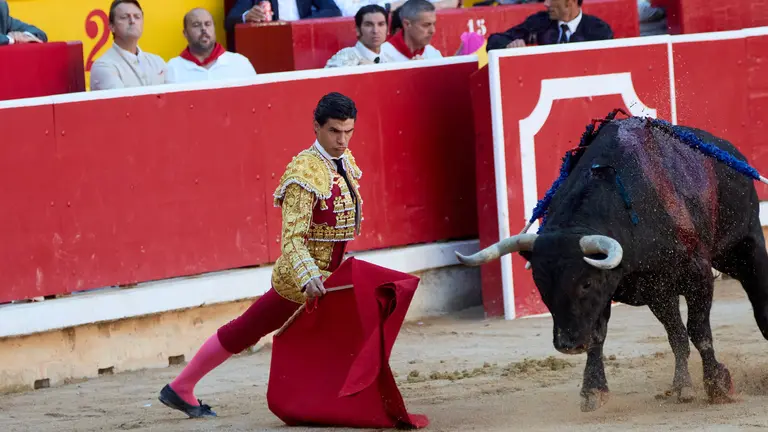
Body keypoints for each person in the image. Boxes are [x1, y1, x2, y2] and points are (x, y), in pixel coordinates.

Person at [158, 92, 363, 418]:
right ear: (316, 127)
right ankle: (181, 387)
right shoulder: (305, 173)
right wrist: (309, 277)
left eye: (348, 131)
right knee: (247, 329)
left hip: (329, 277)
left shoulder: (343, 162)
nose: (342, 139)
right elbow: (292, 241)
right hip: (301, 280)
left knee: (269, 331)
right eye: (334, 131)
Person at [90, 0, 167, 91]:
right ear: (111, 26)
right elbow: (121, 103)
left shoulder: (157, 62)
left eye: (137, 17)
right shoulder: (104, 66)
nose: (132, 21)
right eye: (124, 17)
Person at [166, 8, 256, 84]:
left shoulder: (239, 63)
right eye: (196, 25)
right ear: (185, 33)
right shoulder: (172, 68)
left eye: (208, 24)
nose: (204, 29)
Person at [486, 0, 613, 51]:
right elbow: (495, 41)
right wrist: (510, 46)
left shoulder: (598, 30)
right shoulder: (540, 21)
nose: (546, 3)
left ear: (570, 2)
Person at [224, 0, 341, 51]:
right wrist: (247, 15)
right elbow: (229, 22)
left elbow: (333, 10)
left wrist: (298, 25)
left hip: (304, 44)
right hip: (271, 48)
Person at [325, 5, 393, 67]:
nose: (375, 31)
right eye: (368, 25)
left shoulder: (391, 60)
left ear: (387, 30)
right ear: (357, 30)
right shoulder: (343, 59)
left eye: (381, 24)